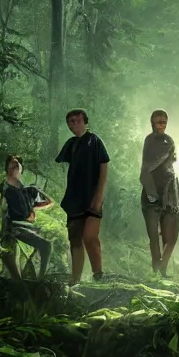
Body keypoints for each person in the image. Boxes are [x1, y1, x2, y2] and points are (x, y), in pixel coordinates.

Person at [55, 109, 110, 285]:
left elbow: (104, 165)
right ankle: (75, 279)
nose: (74, 124)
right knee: (75, 238)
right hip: (74, 198)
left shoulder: (94, 140)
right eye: (70, 121)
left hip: (92, 195)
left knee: (90, 237)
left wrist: (99, 195)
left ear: (85, 121)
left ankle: (98, 274)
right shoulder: (71, 144)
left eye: (77, 120)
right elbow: (62, 166)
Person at [140, 109, 179, 276]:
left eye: (164, 122)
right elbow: (147, 166)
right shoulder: (149, 140)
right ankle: (156, 269)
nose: (161, 125)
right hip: (151, 189)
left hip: (168, 191)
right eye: (158, 122)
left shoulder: (169, 140)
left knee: (169, 236)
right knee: (153, 236)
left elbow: (170, 160)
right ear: (152, 122)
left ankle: (162, 268)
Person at [0, 155, 54, 279]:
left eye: (17, 164)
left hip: (25, 228)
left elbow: (49, 202)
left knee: (47, 246)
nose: (15, 166)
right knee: (13, 271)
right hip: (11, 229)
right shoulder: (4, 188)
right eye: (12, 165)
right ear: (7, 169)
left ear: (22, 169)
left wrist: (32, 207)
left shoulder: (29, 191)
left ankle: (40, 280)